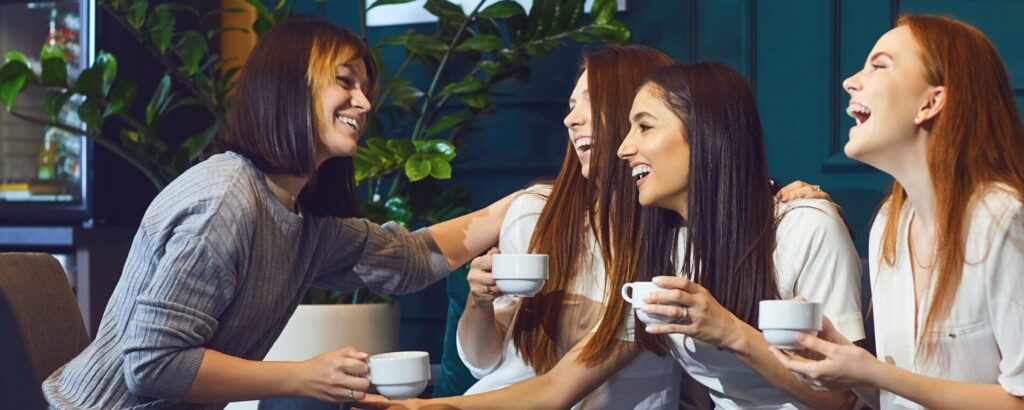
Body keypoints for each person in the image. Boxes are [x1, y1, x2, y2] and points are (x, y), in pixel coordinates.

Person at [42, 20, 515, 410]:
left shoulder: (300, 216)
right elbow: (151, 363)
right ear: (291, 87)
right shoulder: (225, 201)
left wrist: (510, 209)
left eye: (366, 88)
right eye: (345, 81)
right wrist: (300, 378)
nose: (365, 103)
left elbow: (405, 259)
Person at [360, 53, 831, 409]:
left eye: (640, 124)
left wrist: (774, 192)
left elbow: (843, 396)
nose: (570, 119)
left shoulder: (673, 239)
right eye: (570, 106)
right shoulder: (650, 243)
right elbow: (550, 385)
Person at [771, 15, 1024, 410]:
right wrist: (848, 371)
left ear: (931, 102)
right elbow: (896, 397)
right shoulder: (890, 223)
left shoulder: (1002, 221)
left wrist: (873, 373)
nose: (850, 81)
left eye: (878, 65)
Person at [616, 62, 865, 409]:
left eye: (645, 127)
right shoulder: (669, 238)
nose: (624, 148)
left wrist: (729, 331)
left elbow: (843, 398)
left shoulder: (806, 227)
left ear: (706, 133)